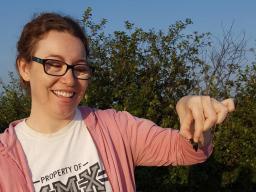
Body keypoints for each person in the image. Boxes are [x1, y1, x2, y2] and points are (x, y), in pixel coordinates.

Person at [0, 12, 235, 192]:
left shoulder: (115, 127)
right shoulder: (5, 158)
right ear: (25, 68)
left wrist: (194, 120)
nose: (69, 79)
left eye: (79, 68)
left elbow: (183, 150)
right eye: (54, 64)